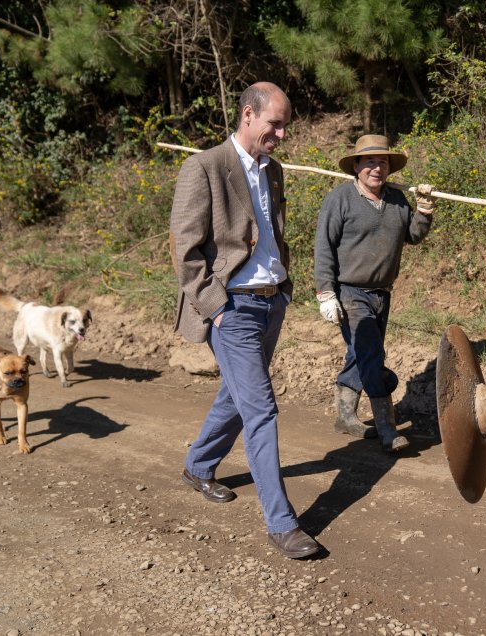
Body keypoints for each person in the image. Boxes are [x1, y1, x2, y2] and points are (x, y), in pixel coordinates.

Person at [169, 82, 319, 559]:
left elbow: (270, 233)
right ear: (248, 115)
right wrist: (214, 306)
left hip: (270, 301)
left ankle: (198, 465)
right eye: (274, 124)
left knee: (237, 395)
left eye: (284, 126)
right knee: (261, 409)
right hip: (231, 308)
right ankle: (281, 523)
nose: (280, 134)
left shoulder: (272, 171)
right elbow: (185, 249)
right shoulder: (204, 167)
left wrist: (284, 284)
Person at [314, 134, 436, 453]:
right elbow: (324, 248)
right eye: (369, 161)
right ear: (356, 166)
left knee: (360, 353)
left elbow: (412, 235)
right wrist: (326, 293)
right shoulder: (339, 199)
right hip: (350, 291)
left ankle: (344, 416)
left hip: (382, 293)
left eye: (382, 161)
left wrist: (424, 209)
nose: (376, 168)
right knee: (370, 355)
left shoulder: (396, 199)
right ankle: (387, 428)